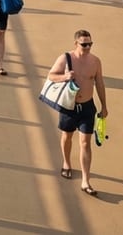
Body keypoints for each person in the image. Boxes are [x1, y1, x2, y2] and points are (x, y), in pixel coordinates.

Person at [47, 30, 109, 196]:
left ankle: (85, 180)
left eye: (90, 44)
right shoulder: (65, 59)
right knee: (67, 137)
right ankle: (66, 163)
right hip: (69, 106)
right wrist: (65, 76)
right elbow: (51, 75)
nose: (87, 47)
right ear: (76, 44)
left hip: (88, 107)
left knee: (85, 143)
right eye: (84, 44)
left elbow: (100, 84)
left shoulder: (95, 61)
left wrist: (104, 106)